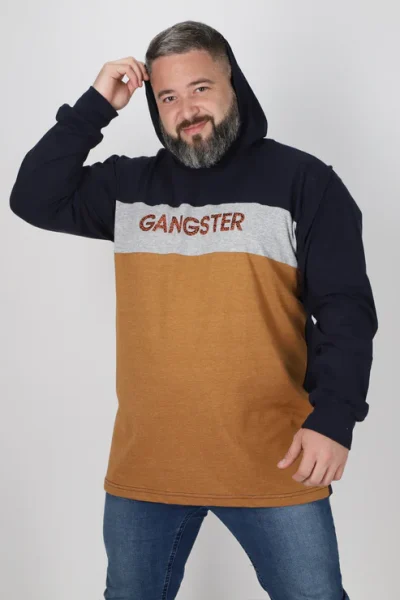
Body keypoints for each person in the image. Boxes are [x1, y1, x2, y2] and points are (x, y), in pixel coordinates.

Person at [9, 19, 378, 600]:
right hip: (147, 468)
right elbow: (32, 196)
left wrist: (334, 419)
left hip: (275, 460)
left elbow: (345, 313)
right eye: (168, 97)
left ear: (233, 83)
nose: (186, 111)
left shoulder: (304, 182)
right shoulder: (129, 186)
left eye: (200, 88)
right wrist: (94, 107)